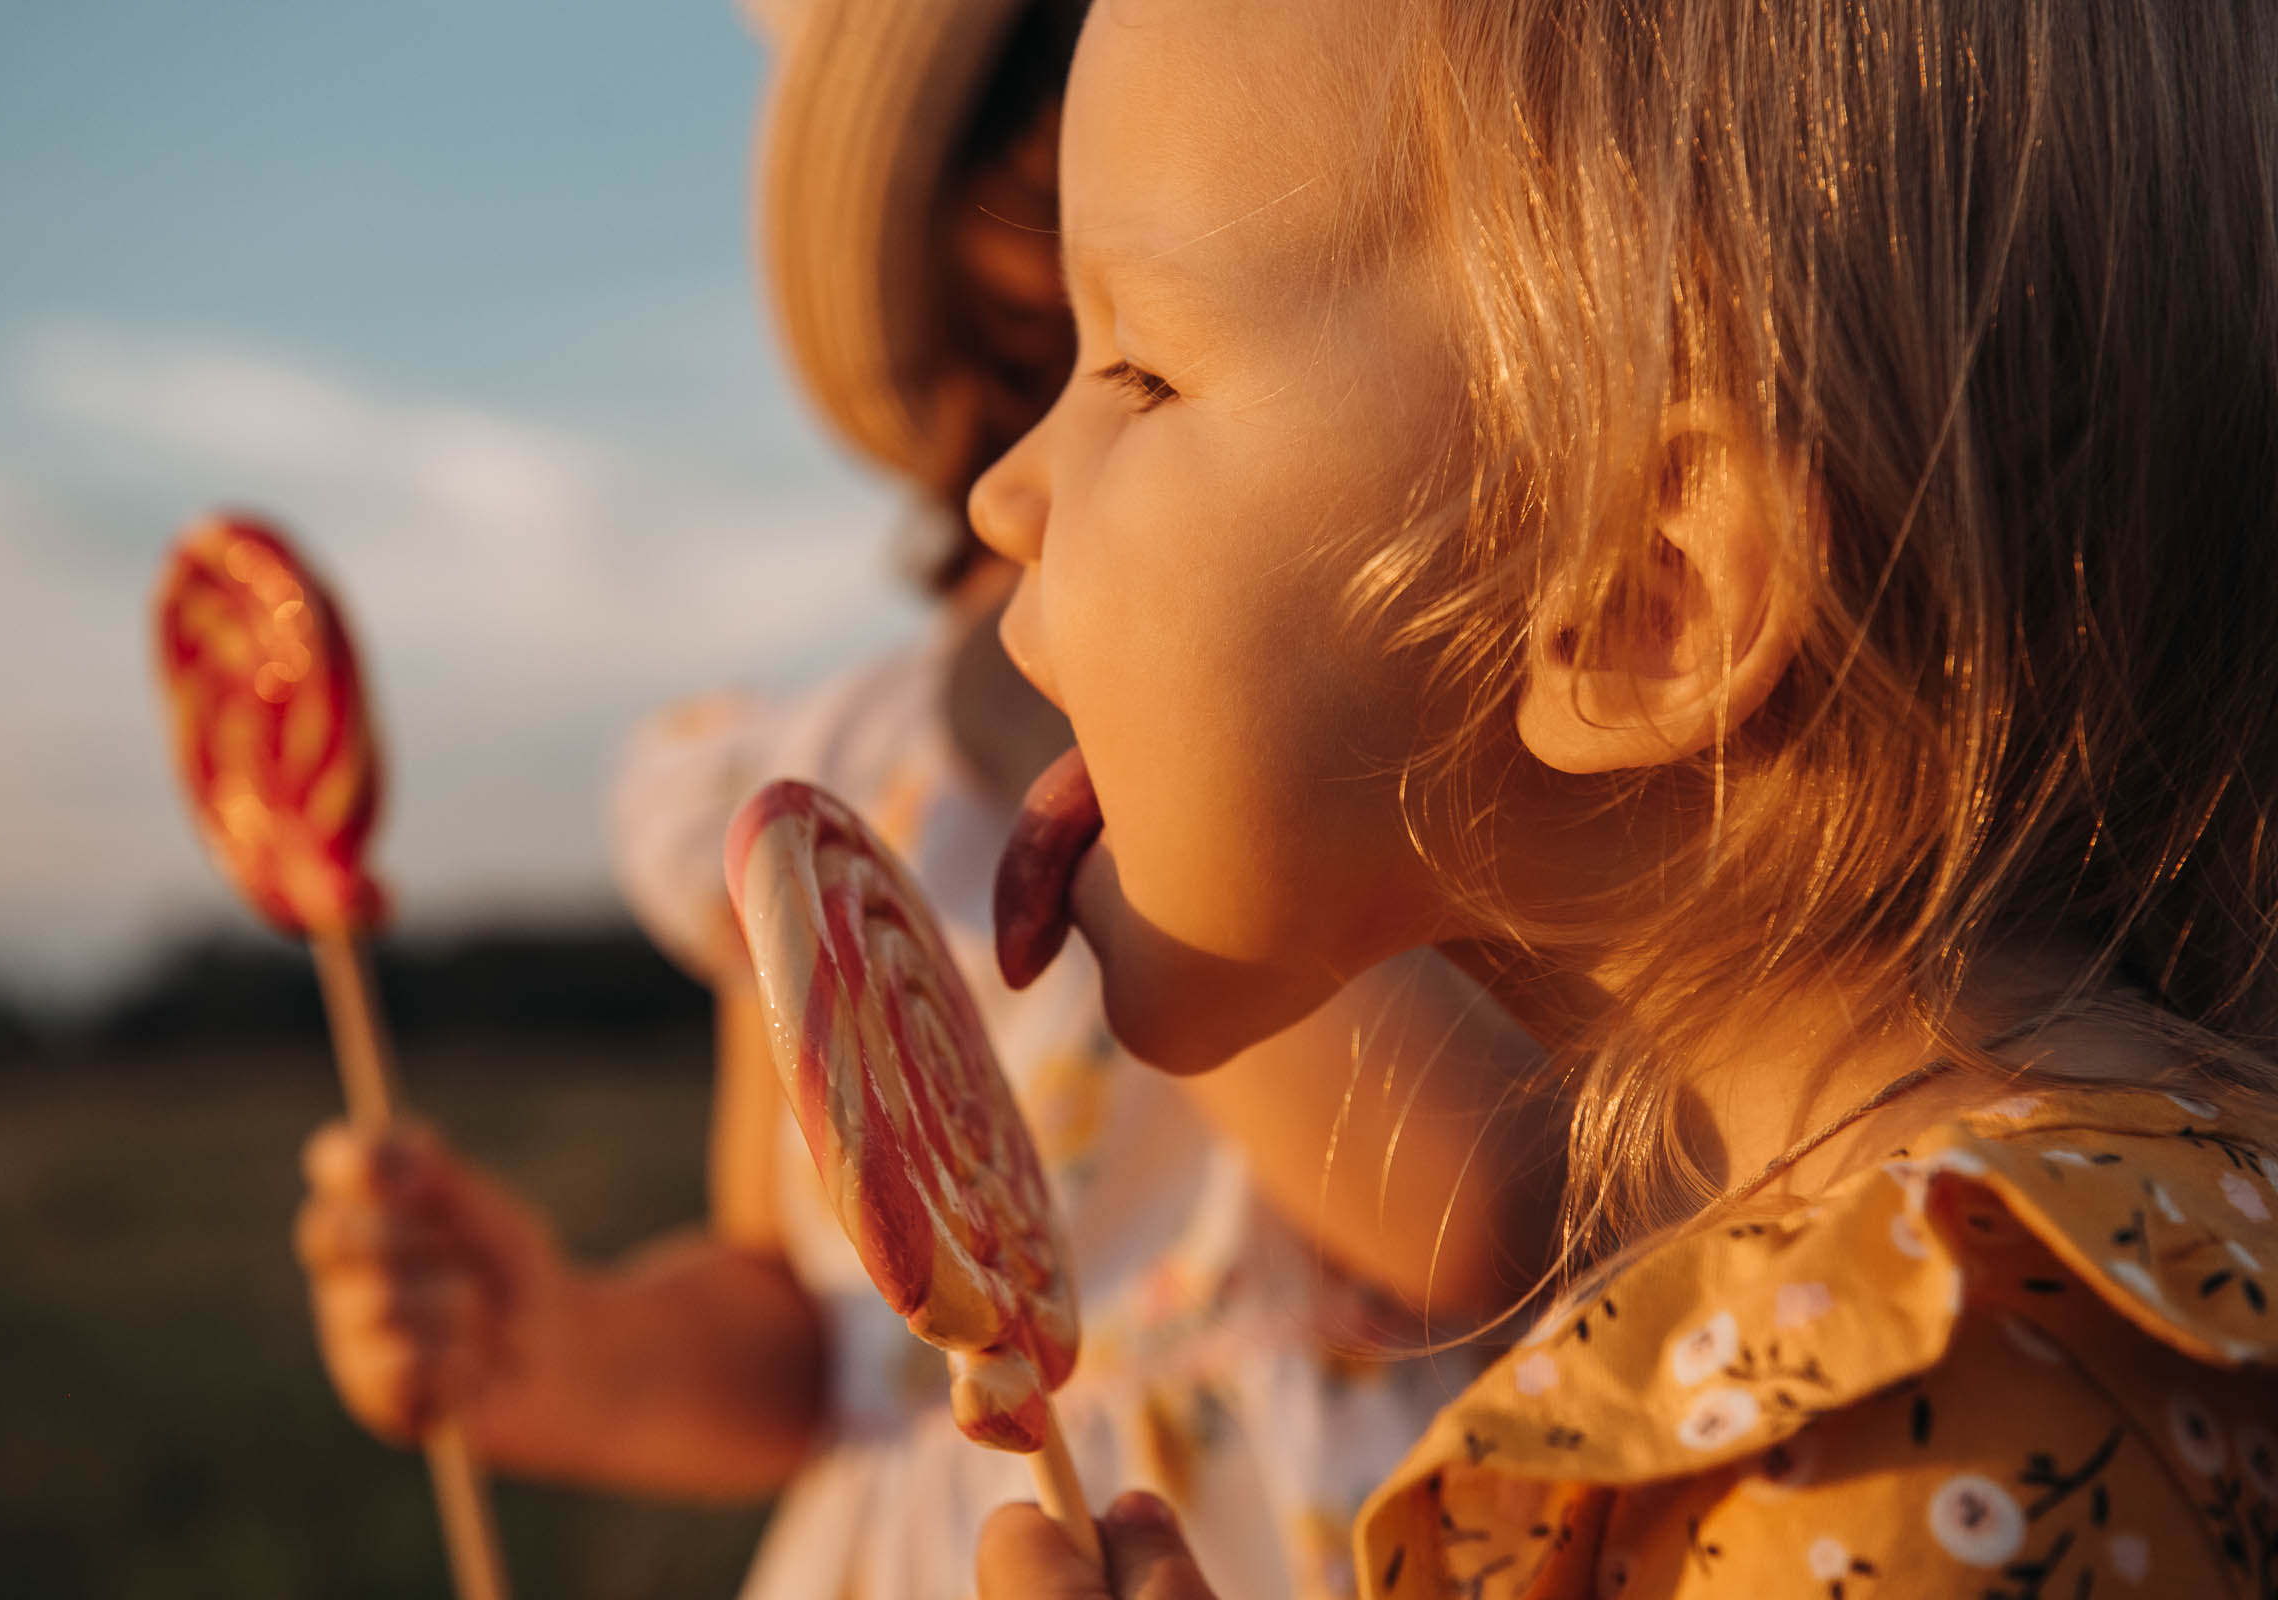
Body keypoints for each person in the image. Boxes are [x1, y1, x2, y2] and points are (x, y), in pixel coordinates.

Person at [966, 1, 2278, 1596]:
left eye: (1139, 368)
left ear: (1647, 599)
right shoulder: (2063, 1270)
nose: (1002, 494)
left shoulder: (1914, 1429)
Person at [294, 3, 1558, 1597]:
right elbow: (807, 1321)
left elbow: (1483, 1216)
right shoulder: (835, 768)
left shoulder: (1391, 679)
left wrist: (1113, 743)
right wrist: (562, 1348)